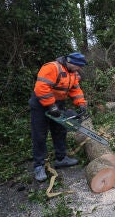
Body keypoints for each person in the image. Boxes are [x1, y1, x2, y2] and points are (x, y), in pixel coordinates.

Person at [29, 52, 88, 181]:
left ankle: (61, 158)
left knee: (60, 130)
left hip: (57, 103)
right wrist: (51, 105)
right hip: (40, 104)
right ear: (71, 62)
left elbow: (75, 90)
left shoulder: (72, 74)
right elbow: (41, 88)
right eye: (79, 66)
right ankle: (39, 166)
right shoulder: (52, 67)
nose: (80, 69)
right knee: (39, 134)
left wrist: (81, 104)